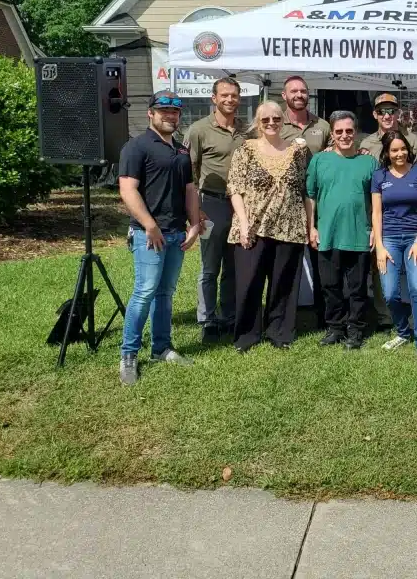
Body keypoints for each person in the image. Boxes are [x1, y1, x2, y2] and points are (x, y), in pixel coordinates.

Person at [117, 90, 202, 385]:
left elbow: (190, 190)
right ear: (150, 114)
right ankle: (128, 355)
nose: (170, 115)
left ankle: (161, 348)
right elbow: (128, 190)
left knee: (165, 293)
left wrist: (194, 225)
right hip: (148, 234)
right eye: (163, 110)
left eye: (175, 112)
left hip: (177, 232)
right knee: (145, 292)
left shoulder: (180, 150)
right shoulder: (137, 147)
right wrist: (149, 225)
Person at [228, 101, 312, 352]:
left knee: (283, 283)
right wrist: (243, 224)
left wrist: (309, 224)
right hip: (252, 226)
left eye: (276, 118)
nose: (271, 123)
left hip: (289, 225)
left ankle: (279, 332)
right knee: (248, 282)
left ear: (283, 121)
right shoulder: (245, 149)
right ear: (258, 122)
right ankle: (246, 335)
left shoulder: (297, 151)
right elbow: (235, 188)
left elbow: (305, 189)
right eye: (266, 120)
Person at [306, 110, 377, 349]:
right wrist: (311, 227)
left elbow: (377, 201)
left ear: (355, 132)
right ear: (332, 135)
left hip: (358, 234)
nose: (344, 135)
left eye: (349, 131)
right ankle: (335, 327)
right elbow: (311, 196)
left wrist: (375, 230)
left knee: (357, 288)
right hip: (327, 234)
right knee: (330, 286)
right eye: (339, 131)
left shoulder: (369, 162)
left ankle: (355, 329)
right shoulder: (319, 160)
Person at [183, 77, 245, 344]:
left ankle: (230, 316)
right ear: (213, 98)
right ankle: (207, 319)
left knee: (234, 266)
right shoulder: (198, 130)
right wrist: (194, 212)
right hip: (211, 204)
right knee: (210, 268)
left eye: (234, 95)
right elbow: (188, 173)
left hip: (240, 205)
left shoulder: (247, 130)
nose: (229, 100)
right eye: (224, 95)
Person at [358, 92, 417, 332]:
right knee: (382, 269)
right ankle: (387, 317)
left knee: (414, 273)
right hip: (377, 213)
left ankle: (415, 316)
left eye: (392, 111)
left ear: (399, 113)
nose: (387, 115)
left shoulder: (413, 141)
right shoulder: (365, 144)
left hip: (410, 217)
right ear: (375, 115)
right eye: (382, 111)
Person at [371, 131, 417, 369]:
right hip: (388, 239)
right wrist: (379, 246)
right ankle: (402, 331)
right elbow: (376, 213)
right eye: (394, 150)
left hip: (415, 238)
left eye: (403, 149)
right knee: (389, 293)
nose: (400, 154)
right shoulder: (379, 176)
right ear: (387, 153)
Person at [279, 75, 331, 328]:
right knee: (287, 261)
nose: (299, 95)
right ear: (284, 95)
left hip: (318, 201)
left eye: (303, 91)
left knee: (320, 258)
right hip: (285, 201)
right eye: (294, 91)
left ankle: (325, 316)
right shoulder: (275, 123)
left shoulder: (322, 125)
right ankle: (286, 318)